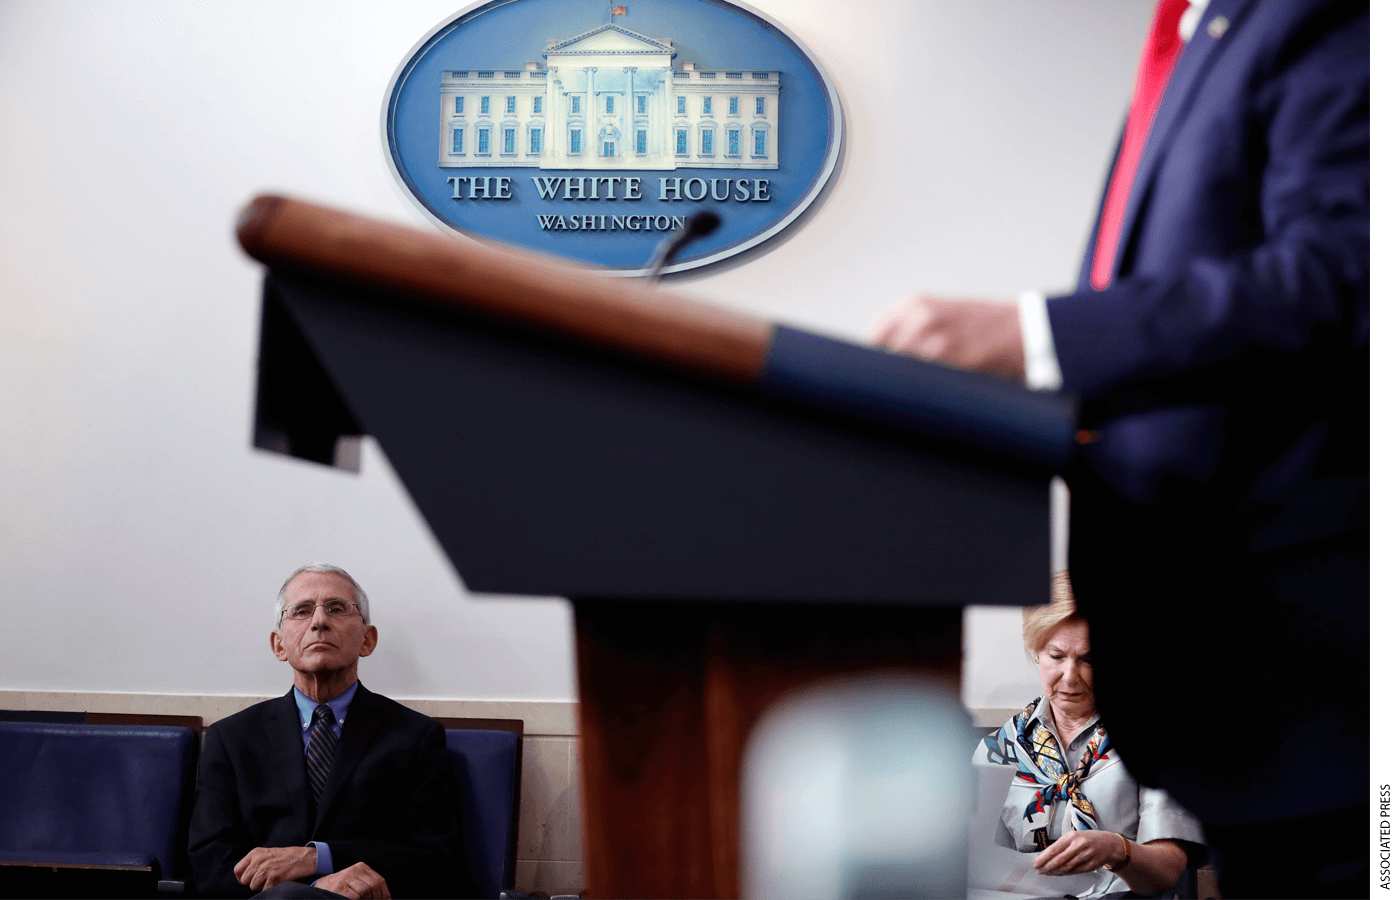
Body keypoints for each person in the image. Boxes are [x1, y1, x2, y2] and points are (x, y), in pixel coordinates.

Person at [874, 1, 1368, 894]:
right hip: (1231, 660)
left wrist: (1035, 336)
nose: (1065, 670)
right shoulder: (1200, 32)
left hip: (1315, 651)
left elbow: (1341, 272)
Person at [188, 564, 460, 899]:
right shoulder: (230, 739)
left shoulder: (415, 736)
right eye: (301, 611)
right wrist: (314, 890)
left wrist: (317, 858)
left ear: (367, 639)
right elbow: (209, 863)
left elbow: (433, 857)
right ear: (279, 645)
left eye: (336, 608)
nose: (319, 621)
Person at [979, 573, 1204, 900]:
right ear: (1036, 654)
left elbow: (1167, 873)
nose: (1070, 677)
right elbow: (982, 867)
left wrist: (1117, 849)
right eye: (1056, 657)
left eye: (1090, 660)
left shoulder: (1154, 742)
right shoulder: (998, 750)